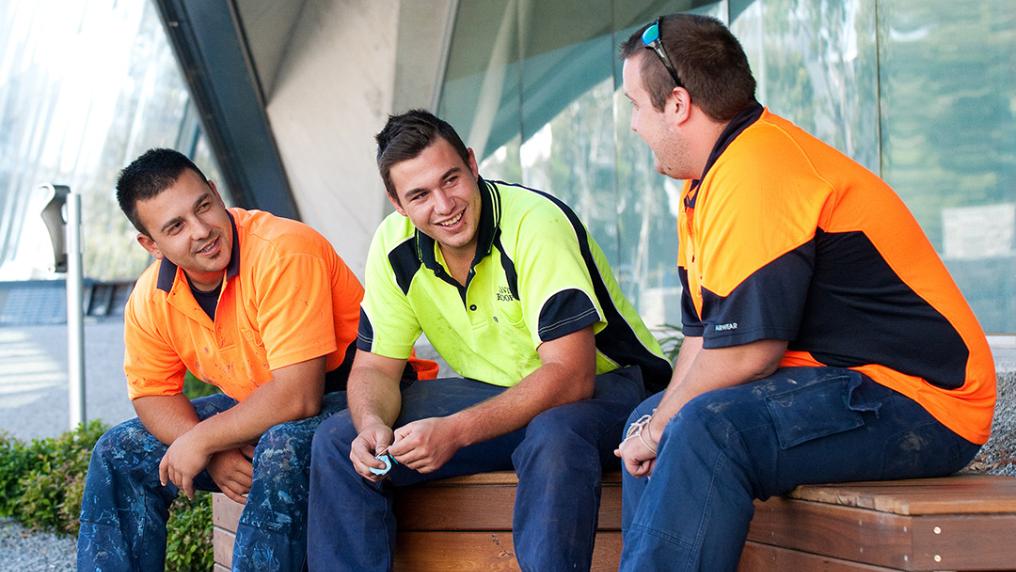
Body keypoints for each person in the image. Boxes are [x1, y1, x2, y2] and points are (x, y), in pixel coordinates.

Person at [615, 13, 996, 571]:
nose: (633, 125)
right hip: (839, 383)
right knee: (654, 416)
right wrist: (655, 423)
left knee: (702, 427)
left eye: (634, 106)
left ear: (677, 104)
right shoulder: (708, 182)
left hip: (925, 401)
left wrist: (664, 426)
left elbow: (748, 353)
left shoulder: (759, 168)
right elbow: (701, 342)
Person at [307, 109, 672, 571]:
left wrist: (455, 431)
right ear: (396, 202)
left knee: (553, 434)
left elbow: (571, 376)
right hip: (496, 391)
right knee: (341, 440)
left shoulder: (533, 223)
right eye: (419, 195)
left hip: (609, 387)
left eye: (451, 180)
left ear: (473, 165)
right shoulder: (392, 246)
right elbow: (376, 368)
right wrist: (372, 424)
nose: (444, 205)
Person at [76, 148, 436, 571]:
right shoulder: (149, 298)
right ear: (151, 245)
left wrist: (203, 440)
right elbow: (153, 394)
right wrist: (210, 448)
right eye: (176, 226)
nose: (202, 230)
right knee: (119, 450)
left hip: (370, 396)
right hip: (267, 410)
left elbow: (299, 397)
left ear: (214, 191)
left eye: (204, 206)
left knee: (280, 448)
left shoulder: (283, 250)